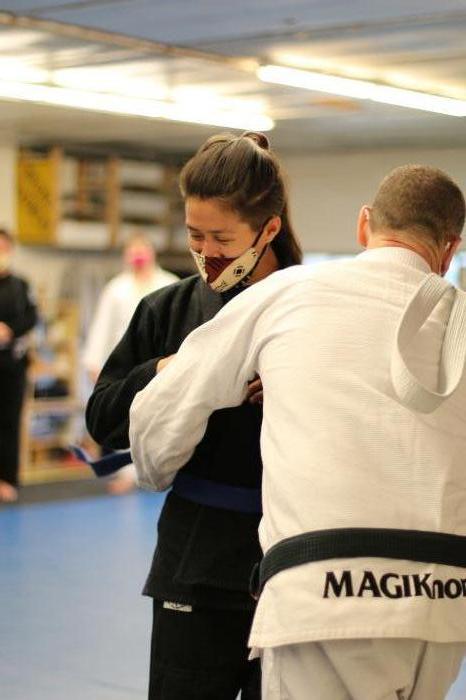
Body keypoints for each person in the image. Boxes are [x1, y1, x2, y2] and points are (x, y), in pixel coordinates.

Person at [129, 165, 466, 700]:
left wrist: (155, 470)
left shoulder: (289, 293)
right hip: (444, 598)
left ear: (364, 224)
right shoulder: (460, 325)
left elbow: (162, 410)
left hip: (321, 591)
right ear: (450, 250)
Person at [85, 131, 302, 699]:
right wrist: (167, 372)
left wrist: (296, 386)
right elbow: (102, 418)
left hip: (293, 559)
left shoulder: (310, 309)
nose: (207, 252)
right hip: (195, 558)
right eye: (194, 235)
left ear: (269, 230)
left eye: (222, 238)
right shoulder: (168, 310)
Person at [83, 232, 178, 494]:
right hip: (126, 363)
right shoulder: (116, 288)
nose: (138, 255)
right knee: (127, 416)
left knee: (162, 419)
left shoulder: (170, 284)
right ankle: (127, 473)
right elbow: (102, 327)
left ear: (152, 252)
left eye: (141, 249)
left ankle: (163, 470)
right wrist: (95, 364)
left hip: (163, 363)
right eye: (132, 250)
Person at [0, 228, 38, 503]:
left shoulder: (20, 286)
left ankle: (7, 479)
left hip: (11, 364)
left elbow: (31, 317)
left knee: (9, 422)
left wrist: (9, 330)